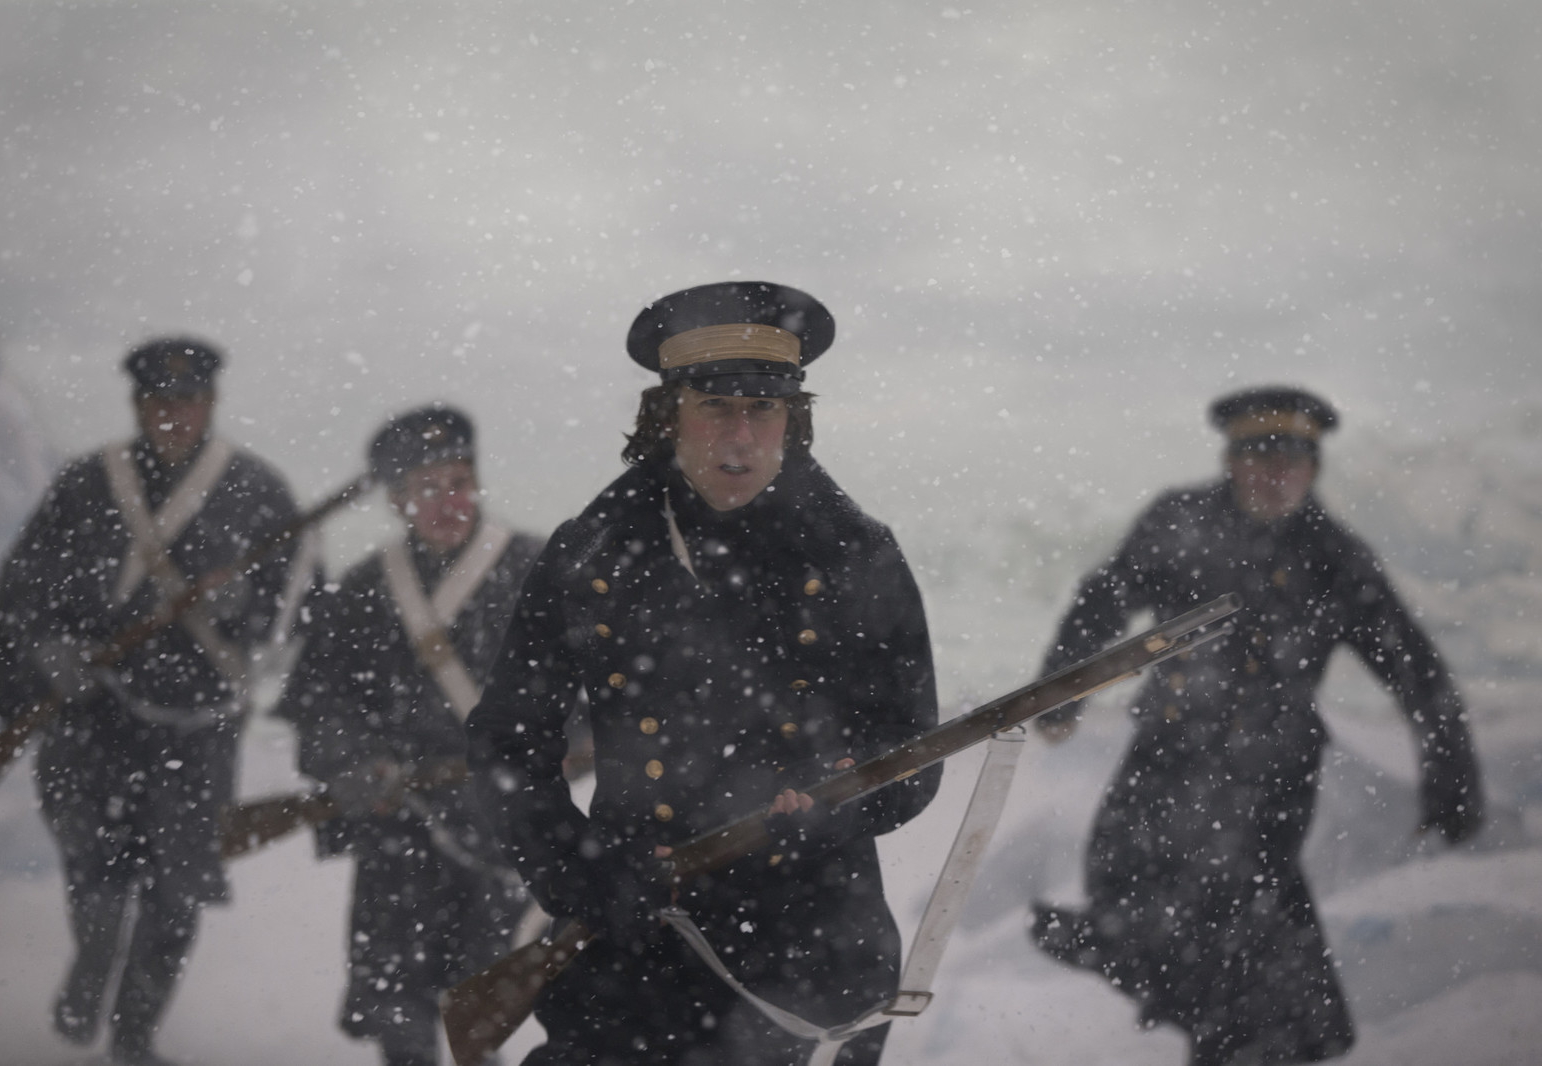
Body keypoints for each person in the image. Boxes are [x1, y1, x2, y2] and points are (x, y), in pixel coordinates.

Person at [464, 281, 942, 1066]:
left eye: (765, 410)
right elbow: (507, 739)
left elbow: (914, 750)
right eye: (716, 407)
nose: (741, 438)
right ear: (667, 415)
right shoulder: (591, 552)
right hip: (633, 925)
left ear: (795, 418)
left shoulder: (858, 554)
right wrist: (577, 869)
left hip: (811, 944)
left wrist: (834, 807)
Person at [1029, 386, 1484, 1066]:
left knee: (1239, 921)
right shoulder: (1177, 521)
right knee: (1119, 879)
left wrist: (1452, 779)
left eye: (1295, 460)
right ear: (1233, 460)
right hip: (1168, 750)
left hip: (1268, 774)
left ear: (1313, 468)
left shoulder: (1334, 555)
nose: (1278, 474)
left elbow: (1414, 667)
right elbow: (1104, 599)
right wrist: (1061, 692)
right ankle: (1205, 997)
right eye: (1262, 457)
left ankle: (1246, 1034)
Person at [0, 337, 312, 1066]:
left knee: (175, 895)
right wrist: (44, 656)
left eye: (187, 399)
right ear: (138, 404)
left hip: (198, 728)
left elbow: (303, 608)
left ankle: (133, 1039)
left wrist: (245, 608)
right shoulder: (88, 483)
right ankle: (91, 967)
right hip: (92, 719)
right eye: (159, 399)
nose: (173, 412)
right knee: (96, 880)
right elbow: (22, 594)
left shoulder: (257, 490)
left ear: (211, 403)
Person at [274, 405, 543, 1066]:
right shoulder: (365, 590)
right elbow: (322, 703)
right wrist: (354, 763)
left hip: (501, 824)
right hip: (399, 824)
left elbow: (598, 691)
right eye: (427, 487)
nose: (447, 501)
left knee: (483, 1002)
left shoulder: (537, 571)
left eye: (457, 481)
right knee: (400, 1002)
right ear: (397, 501)